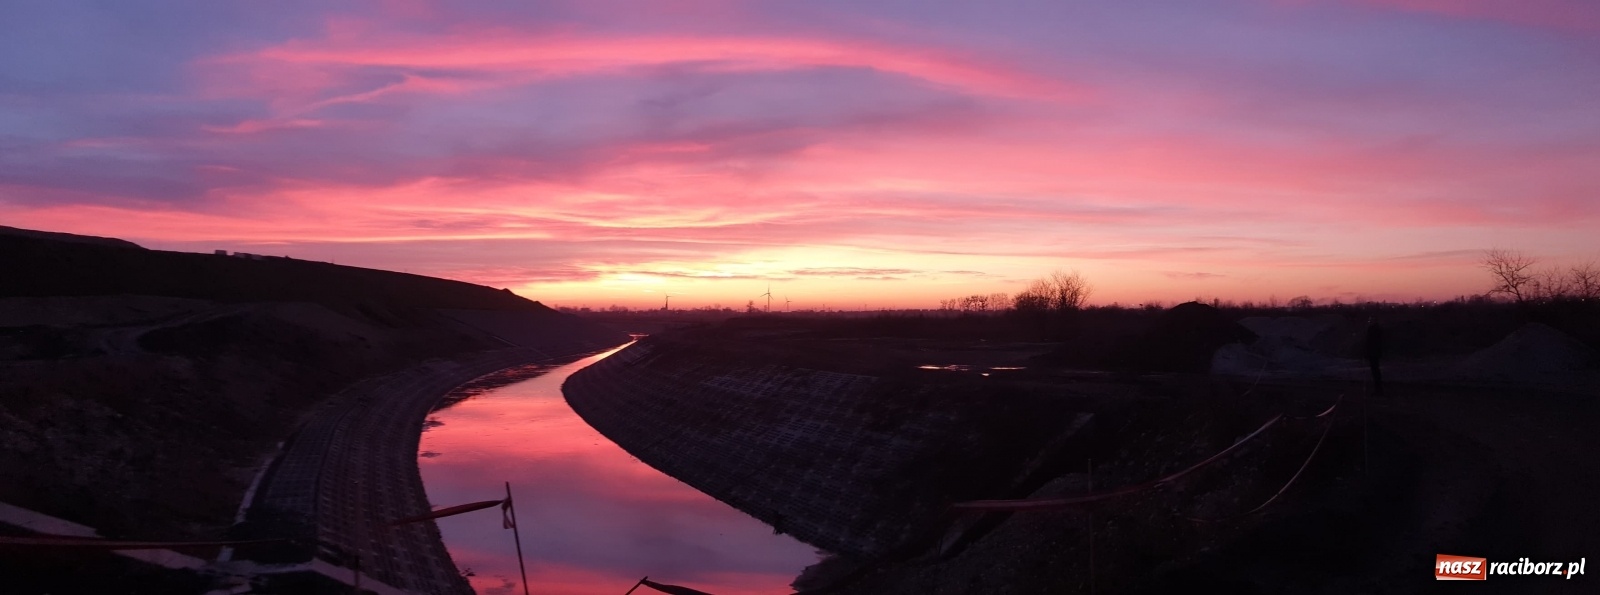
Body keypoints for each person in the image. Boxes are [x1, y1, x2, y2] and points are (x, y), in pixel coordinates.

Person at [1364, 318, 1385, 395]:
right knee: (1376, 371)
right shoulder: (1379, 330)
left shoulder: (1372, 330)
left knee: (1375, 371)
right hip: (1376, 352)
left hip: (1373, 352)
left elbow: (1369, 342)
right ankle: (1378, 388)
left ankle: (1378, 389)